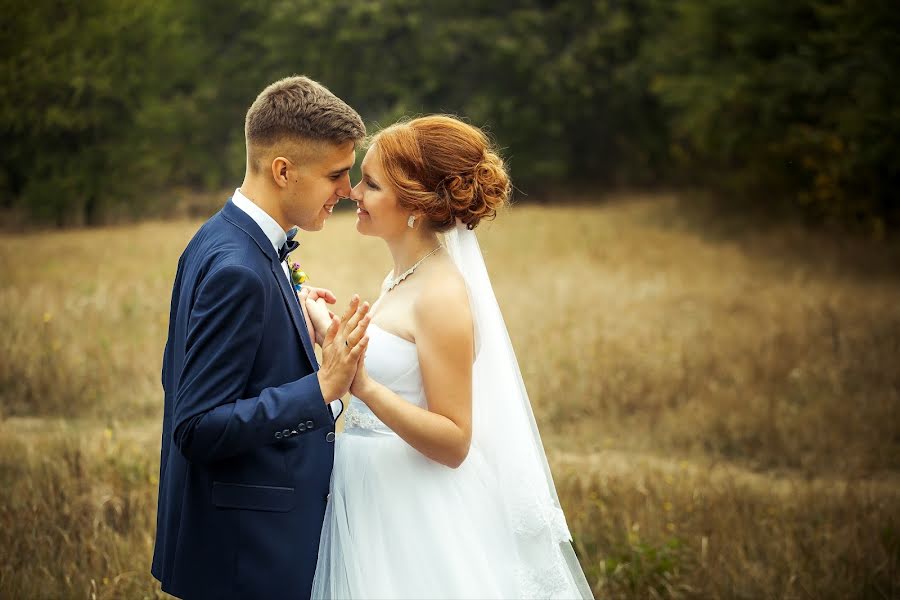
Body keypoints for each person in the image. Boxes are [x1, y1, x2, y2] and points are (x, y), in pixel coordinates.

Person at [306, 115, 594, 599]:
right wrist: (324, 328)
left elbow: (455, 440)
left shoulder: (440, 294)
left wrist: (364, 388)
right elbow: (392, 366)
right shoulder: (403, 276)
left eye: (371, 184)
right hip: (372, 492)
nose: (354, 193)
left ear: (415, 206)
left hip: (415, 509)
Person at [151, 75, 372, 600]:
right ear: (283, 171)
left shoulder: (222, 237)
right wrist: (322, 389)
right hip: (243, 558)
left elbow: (184, 369)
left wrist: (288, 308)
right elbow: (197, 426)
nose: (347, 191)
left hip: (237, 546)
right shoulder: (240, 269)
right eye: (337, 175)